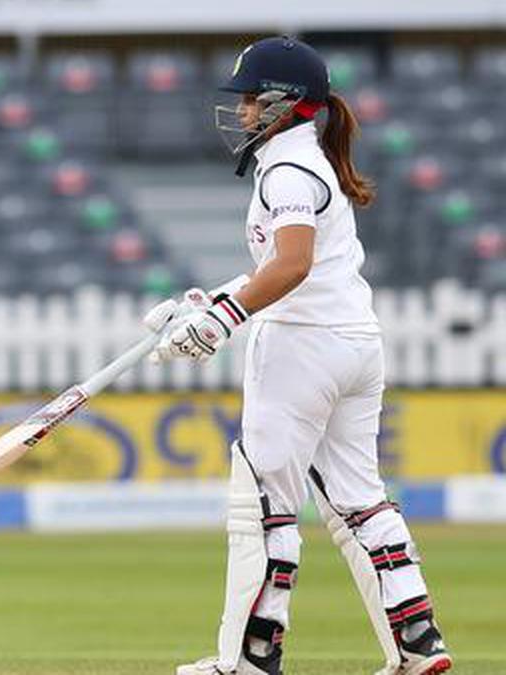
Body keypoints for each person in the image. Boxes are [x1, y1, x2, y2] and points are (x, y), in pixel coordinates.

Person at [149, 36, 452, 675]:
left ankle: (249, 660)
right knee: (361, 501)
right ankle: (418, 645)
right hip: (353, 344)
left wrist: (222, 322)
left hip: (301, 347)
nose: (244, 111)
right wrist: (209, 301)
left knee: (264, 506)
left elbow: (291, 265)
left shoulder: (287, 170)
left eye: (253, 99)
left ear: (288, 103)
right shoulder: (310, 162)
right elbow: (288, 268)